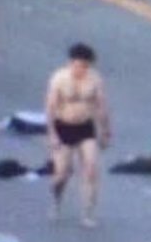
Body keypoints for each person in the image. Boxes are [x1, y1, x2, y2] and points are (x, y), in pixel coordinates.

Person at [45, 44, 113, 228]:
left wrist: (106, 131)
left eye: (85, 66)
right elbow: (50, 107)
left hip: (85, 127)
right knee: (62, 173)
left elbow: (101, 106)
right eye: (77, 66)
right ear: (70, 63)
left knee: (91, 168)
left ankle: (88, 212)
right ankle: (56, 200)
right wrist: (52, 134)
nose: (80, 70)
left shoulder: (95, 80)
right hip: (63, 126)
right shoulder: (59, 78)